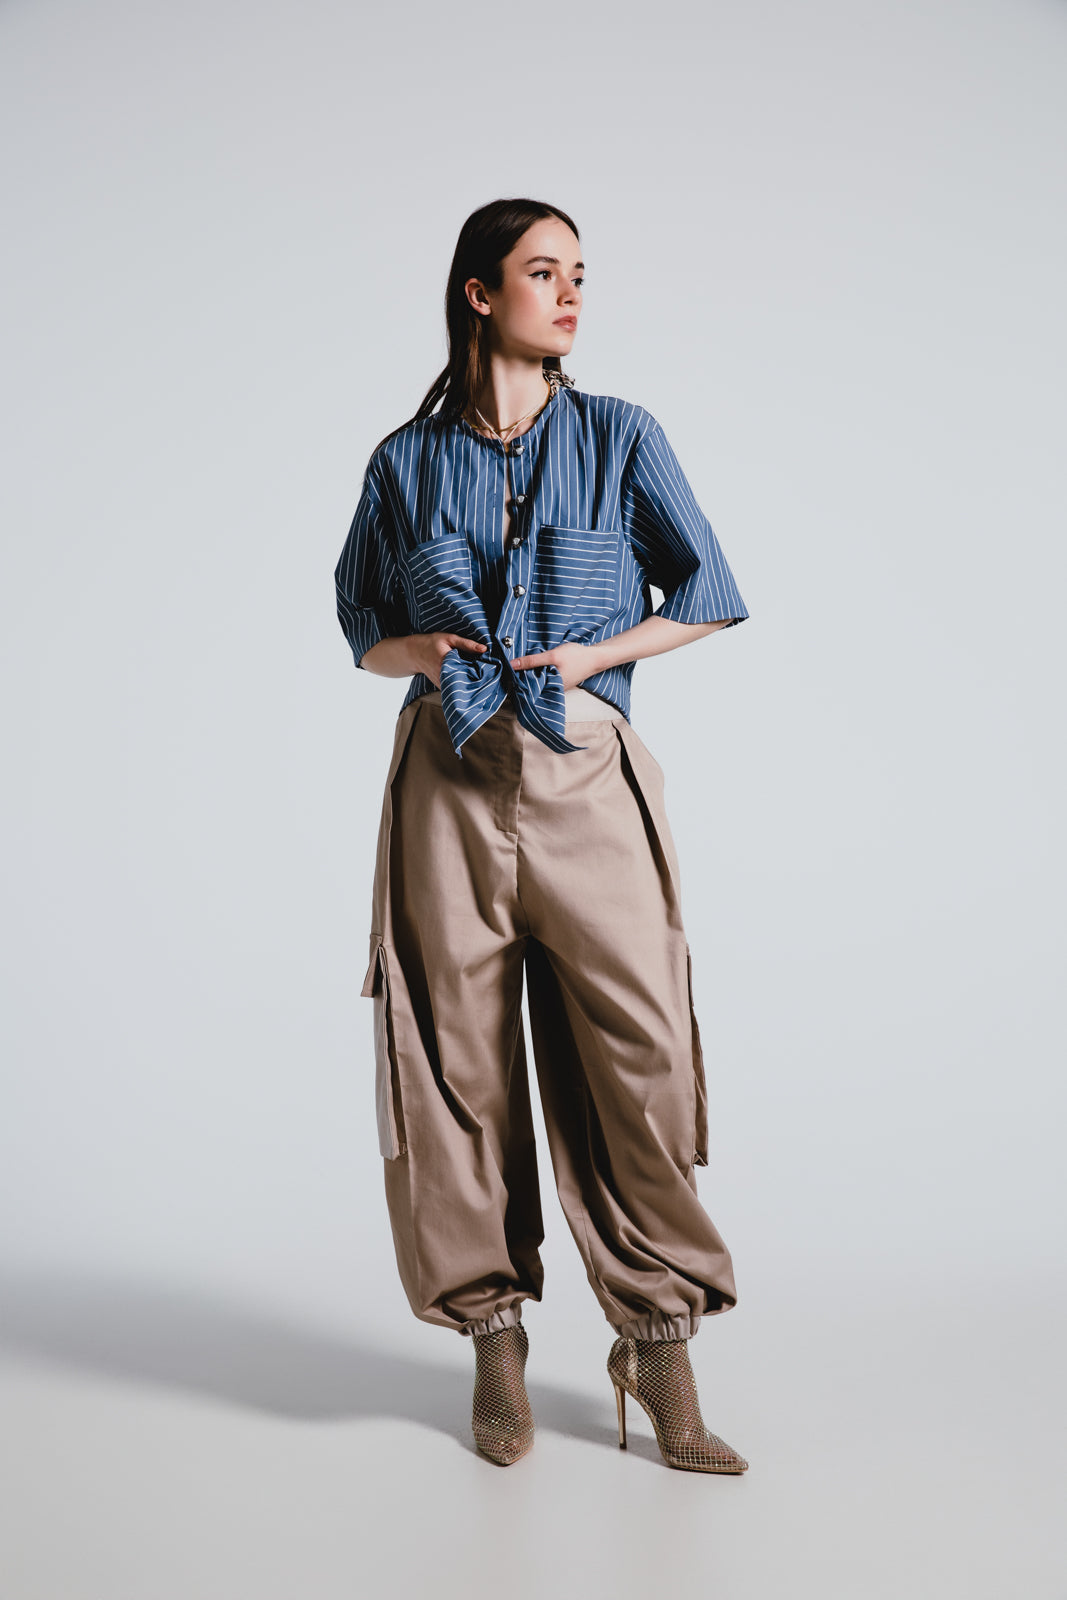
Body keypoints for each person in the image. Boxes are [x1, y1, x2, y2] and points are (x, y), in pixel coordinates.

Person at [333, 197, 751, 1474]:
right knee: (452, 1059)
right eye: (542, 271)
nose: (570, 294)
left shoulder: (621, 435)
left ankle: (656, 1343)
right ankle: (493, 1343)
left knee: (638, 1051)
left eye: (579, 274)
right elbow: (362, 629)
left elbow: (710, 593)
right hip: (446, 781)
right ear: (479, 293)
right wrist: (428, 650)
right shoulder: (404, 461)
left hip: (586, 773)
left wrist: (591, 656)